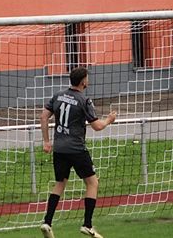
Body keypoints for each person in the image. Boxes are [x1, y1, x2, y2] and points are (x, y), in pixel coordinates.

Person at [39, 67, 117, 238]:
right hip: (76, 149)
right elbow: (97, 126)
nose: (88, 81)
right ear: (83, 82)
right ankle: (87, 225)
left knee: (60, 183)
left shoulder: (58, 95)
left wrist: (46, 141)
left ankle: (47, 222)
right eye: (87, 78)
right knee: (92, 183)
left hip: (59, 149)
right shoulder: (84, 100)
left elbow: (43, 117)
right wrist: (109, 120)